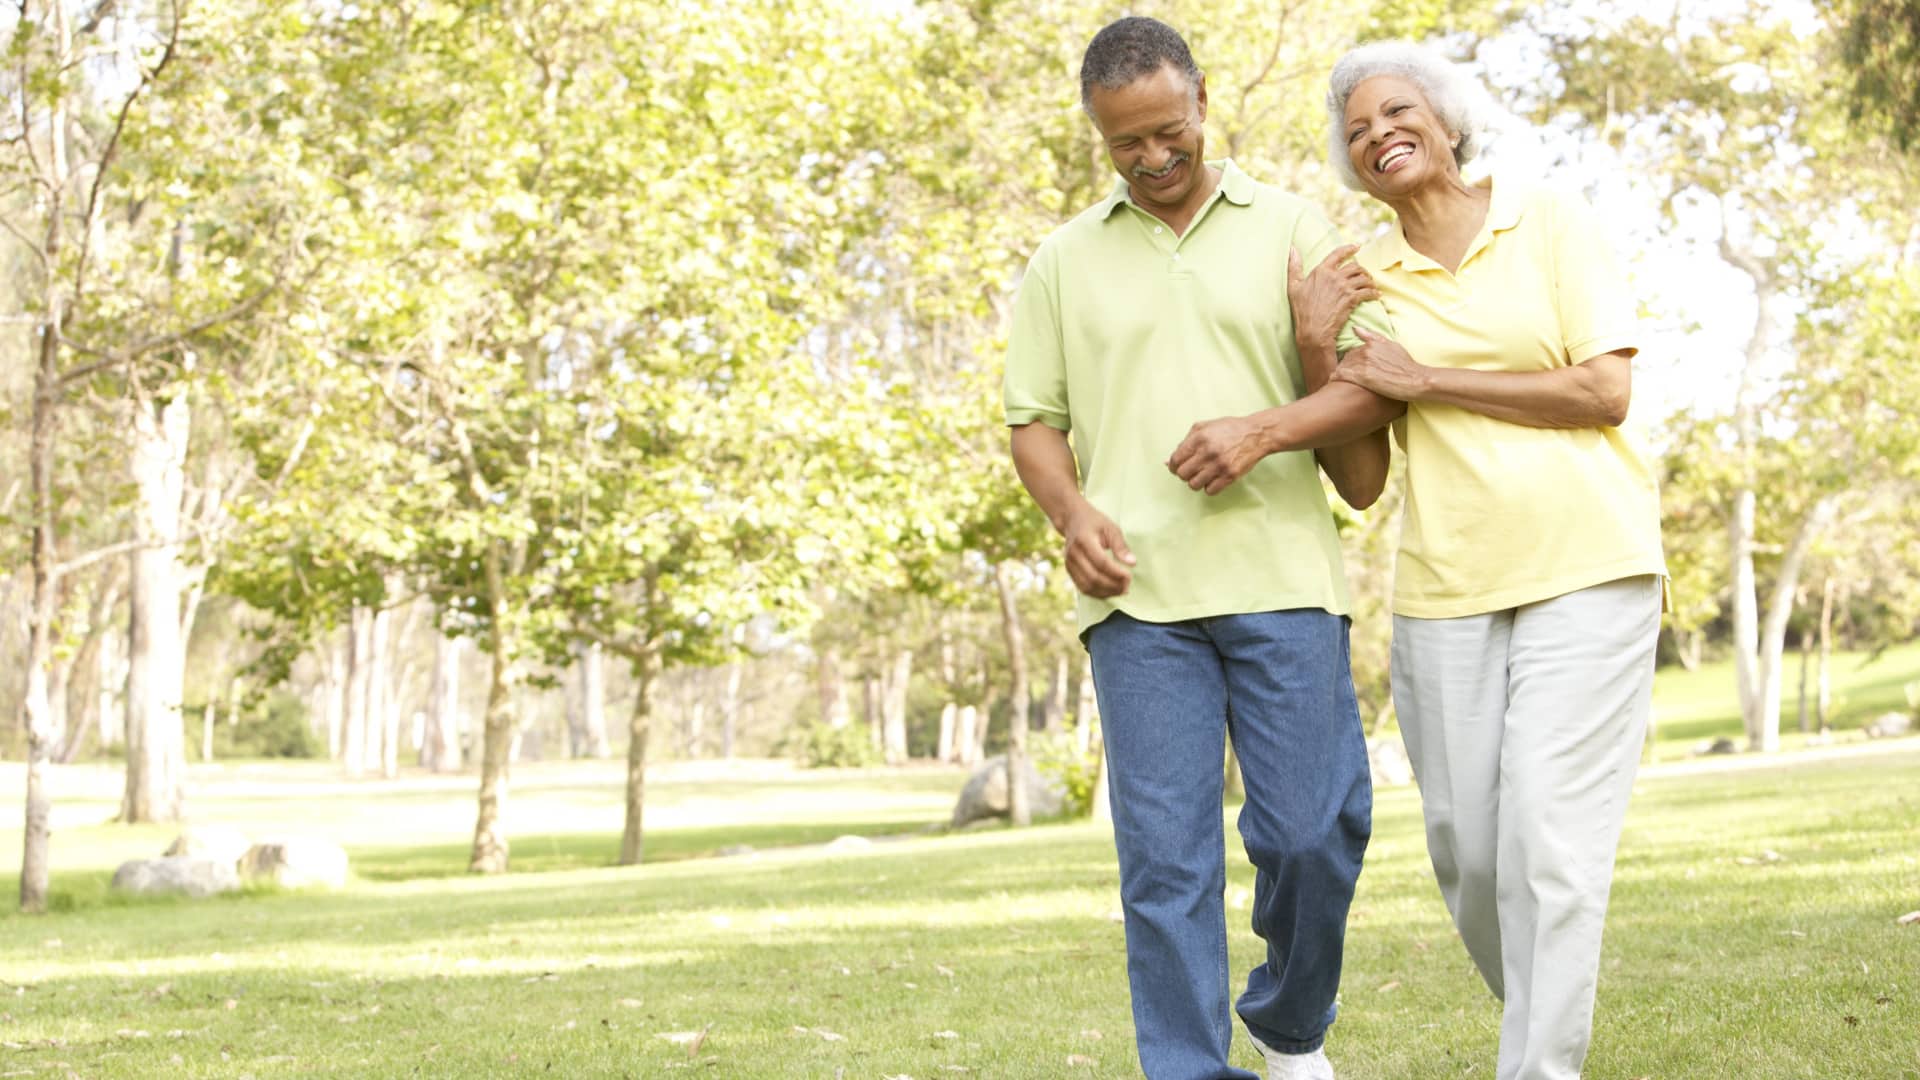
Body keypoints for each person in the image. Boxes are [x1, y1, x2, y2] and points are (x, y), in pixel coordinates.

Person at [1186, 39, 1667, 1080]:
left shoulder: (1548, 222)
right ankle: (1541, 1015)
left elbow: (1603, 392)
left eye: (1397, 112)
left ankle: (1540, 1067)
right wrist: (1320, 350)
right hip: (1448, 589)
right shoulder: (1367, 278)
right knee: (1469, 851)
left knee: (1550, 840)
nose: (1378, 134)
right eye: (1357, 130)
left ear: (1448, 123)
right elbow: (1360, 481)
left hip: (1590, 564)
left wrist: (1433, 379)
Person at [1003, 16, 1410, 1080]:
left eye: (1167, 131)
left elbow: (1370, 390)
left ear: (1202, 103)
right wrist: (1071, 513)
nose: (1152, 157)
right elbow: (1033, 422)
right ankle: (1188, 1067)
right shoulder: (1062, 260)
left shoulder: (1294, 227)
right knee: (1165, 866)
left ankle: (1286, 1022)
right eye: (1125, 143)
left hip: (1282, 577)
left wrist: (1261, 426)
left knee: (1316, 830)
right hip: (1138, 605)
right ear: (1101, 137)